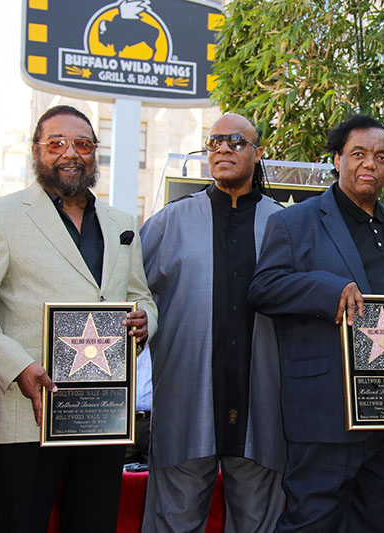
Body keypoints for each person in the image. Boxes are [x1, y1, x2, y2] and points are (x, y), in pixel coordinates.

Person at [0, 105, 157, 532]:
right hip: (28, 413)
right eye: (56, 143)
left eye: (82, 144)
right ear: (36, 151)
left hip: (103, 414)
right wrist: (17, 366)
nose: (69, 153)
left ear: (95, 153)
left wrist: (146, 319)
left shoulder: (121, 223)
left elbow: (140, 296)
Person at [248, 114, 384, 532]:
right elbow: (263, 288)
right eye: (358, 154)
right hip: (327, 412)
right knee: (311, 521)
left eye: (381, 157)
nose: (370, 164)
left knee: (380, 523)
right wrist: (326, 290)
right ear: (336, 159)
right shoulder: (295, 221)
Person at [139, 113, 286, 532]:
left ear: (257, 154)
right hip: (187, 403)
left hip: (263, 408)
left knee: (261, 522)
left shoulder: (286, 224)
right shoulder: (169, 223)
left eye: (236, 142)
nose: (223, 148)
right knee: (174, 520)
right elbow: (130, 293)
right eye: (214, 142)